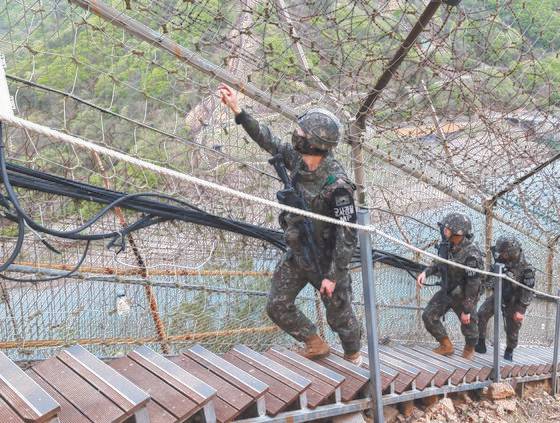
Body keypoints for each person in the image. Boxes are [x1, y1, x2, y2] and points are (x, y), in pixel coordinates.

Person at [218, 83, 362, 364]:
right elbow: (268, 140)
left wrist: (332, 276)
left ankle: (354, 358)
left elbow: (348, 235)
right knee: (277, 305)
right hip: (300, 250)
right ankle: (314, 342)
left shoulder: (338, 185)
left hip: (328, 260)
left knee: (340, 318)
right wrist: (238, 110)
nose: (295, 135)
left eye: (301, 133)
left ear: (315, 143)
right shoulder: (297, 159)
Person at [416, 212, 483, 359]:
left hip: (465, 295)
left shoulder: (472, 254)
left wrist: (467, 309)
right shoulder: (447, 245)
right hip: (448, 291)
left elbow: (474, 284)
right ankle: (446, 345)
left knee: (470, 327)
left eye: (448, 228)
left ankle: (469, 349)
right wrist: (426, 273)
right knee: (429, 316)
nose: (444, 230)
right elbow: (439, 262)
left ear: (458, 233)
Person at [475, 236, 535, 361]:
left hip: (515, 300)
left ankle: (510, 350)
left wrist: (521, 309)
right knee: (482, 313)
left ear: (512, 251)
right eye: (501, 252)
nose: (501, 254)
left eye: (504, 252)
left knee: (512, 327)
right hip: (499, 295)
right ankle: (481, 342)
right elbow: (489, 281)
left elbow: (528, 290)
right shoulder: (500, 260)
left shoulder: (526, 268)